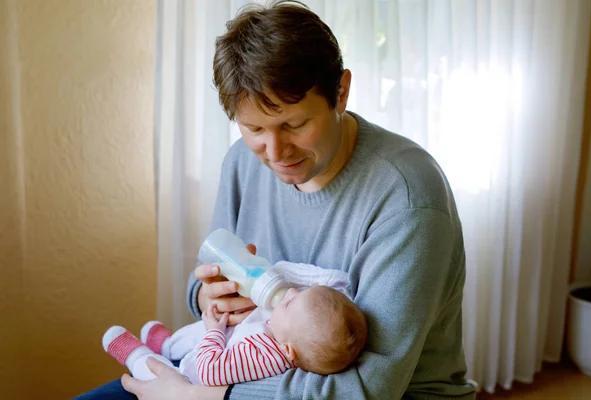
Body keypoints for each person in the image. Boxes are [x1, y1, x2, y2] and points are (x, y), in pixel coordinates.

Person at [76, 1, 477, 399]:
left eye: (294, 124)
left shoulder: (407, 198)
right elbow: (208, 273)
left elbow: (367, 388)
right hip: (239, 369)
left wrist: (201, 398)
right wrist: (209, 297)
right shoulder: (242, 163)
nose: (275, 151)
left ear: (340, 93)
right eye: (253, 128)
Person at [101, 285, 367, 386]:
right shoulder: (285, 336)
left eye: (289, 304)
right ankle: (168, 345)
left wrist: (214, 332)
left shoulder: (264, 356)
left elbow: (209, 369)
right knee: (217, 324)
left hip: (188, 380)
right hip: (208, 352)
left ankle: (137, 354)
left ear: (288, 351)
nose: (288, 293)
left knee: (157, 373)